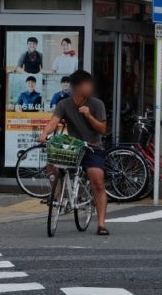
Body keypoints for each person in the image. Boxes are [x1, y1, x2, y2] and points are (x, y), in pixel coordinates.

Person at [40, 70, 108, 235]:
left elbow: (103, 129)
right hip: (73, 147)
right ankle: (56, 195)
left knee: (97, 181)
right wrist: (44, 134)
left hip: (93, 147)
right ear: (76, 87)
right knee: (51, 163)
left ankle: (101, 224)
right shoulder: (64, 104)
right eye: (86, 85)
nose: (90, 88)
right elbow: (53, 122)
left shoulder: (97, 104)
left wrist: (89, 115)